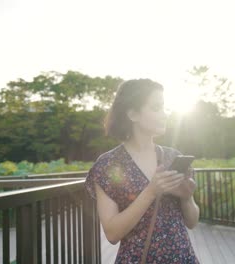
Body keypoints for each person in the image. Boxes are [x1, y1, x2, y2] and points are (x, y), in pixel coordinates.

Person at [84, 79, 200, 263]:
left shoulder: (173, 157)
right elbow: (112, 233)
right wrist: (151, 191)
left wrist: (187, 197)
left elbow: (192, 222)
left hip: (183, 257)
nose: (165, 114)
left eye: (164, 108)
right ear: (133, 114)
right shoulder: (108, 165)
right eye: (156, 107)